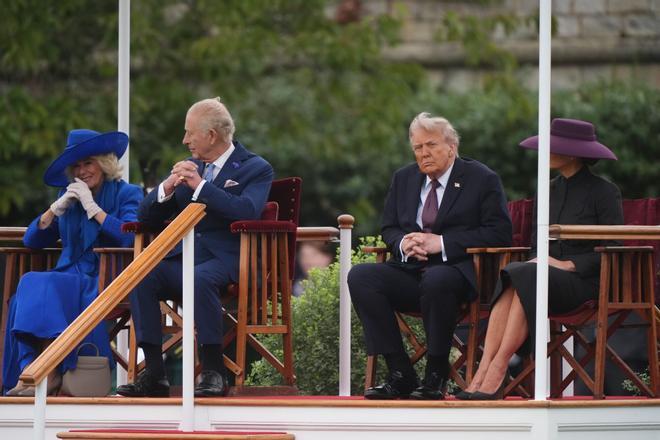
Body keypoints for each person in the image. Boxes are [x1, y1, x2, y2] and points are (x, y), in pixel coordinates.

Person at [348, 112, 512, 400]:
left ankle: (436, 374)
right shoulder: (404, 178)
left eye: (432, 145)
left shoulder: (481, 179)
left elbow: (499, 232)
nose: (424, 154)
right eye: (418, 148)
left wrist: (443, 243)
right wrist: (403, 243)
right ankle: (400, 373)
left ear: (452, 147)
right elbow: (389, 227)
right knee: (361, 276)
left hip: (458, 273)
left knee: (438, 279)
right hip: (411, 271)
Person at [117, 97, 274, 398]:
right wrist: (167, 187)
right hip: (187, 258)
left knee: (199, 278)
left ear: (211, 135)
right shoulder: (189, 168)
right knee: (141, 273)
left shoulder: (256, 168)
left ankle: (214, 371)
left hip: (230, 261)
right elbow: (146, 216)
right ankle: (154, 373)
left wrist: (201, 186)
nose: (184, 140)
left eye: (190, 133)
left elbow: (247, 211)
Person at [457, 118, 623, 400]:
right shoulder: (547, 190)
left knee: (526, 275)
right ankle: (486, 368)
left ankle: (498, 368)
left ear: (571, 153)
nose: (545, 153)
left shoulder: (605, 192)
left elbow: (614, 247)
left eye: (552, 147)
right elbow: (536, 245)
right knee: (516, 272)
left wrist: (568, 264)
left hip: (585, 283)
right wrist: (540, 260)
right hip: (540, 277)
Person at [2, 129, 143, 396]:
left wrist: (95, 210)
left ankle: (45, 371)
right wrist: (54, 210)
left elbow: (129, 237)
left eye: (88, 162)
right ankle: (34, 368)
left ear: (104, 163)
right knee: (31, 284)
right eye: (76, 165)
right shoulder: (69, 197)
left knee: (40, 285)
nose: (82, 170)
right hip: (67, 276)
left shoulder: (127, 193)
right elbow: (32, 241)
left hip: (106, 277)